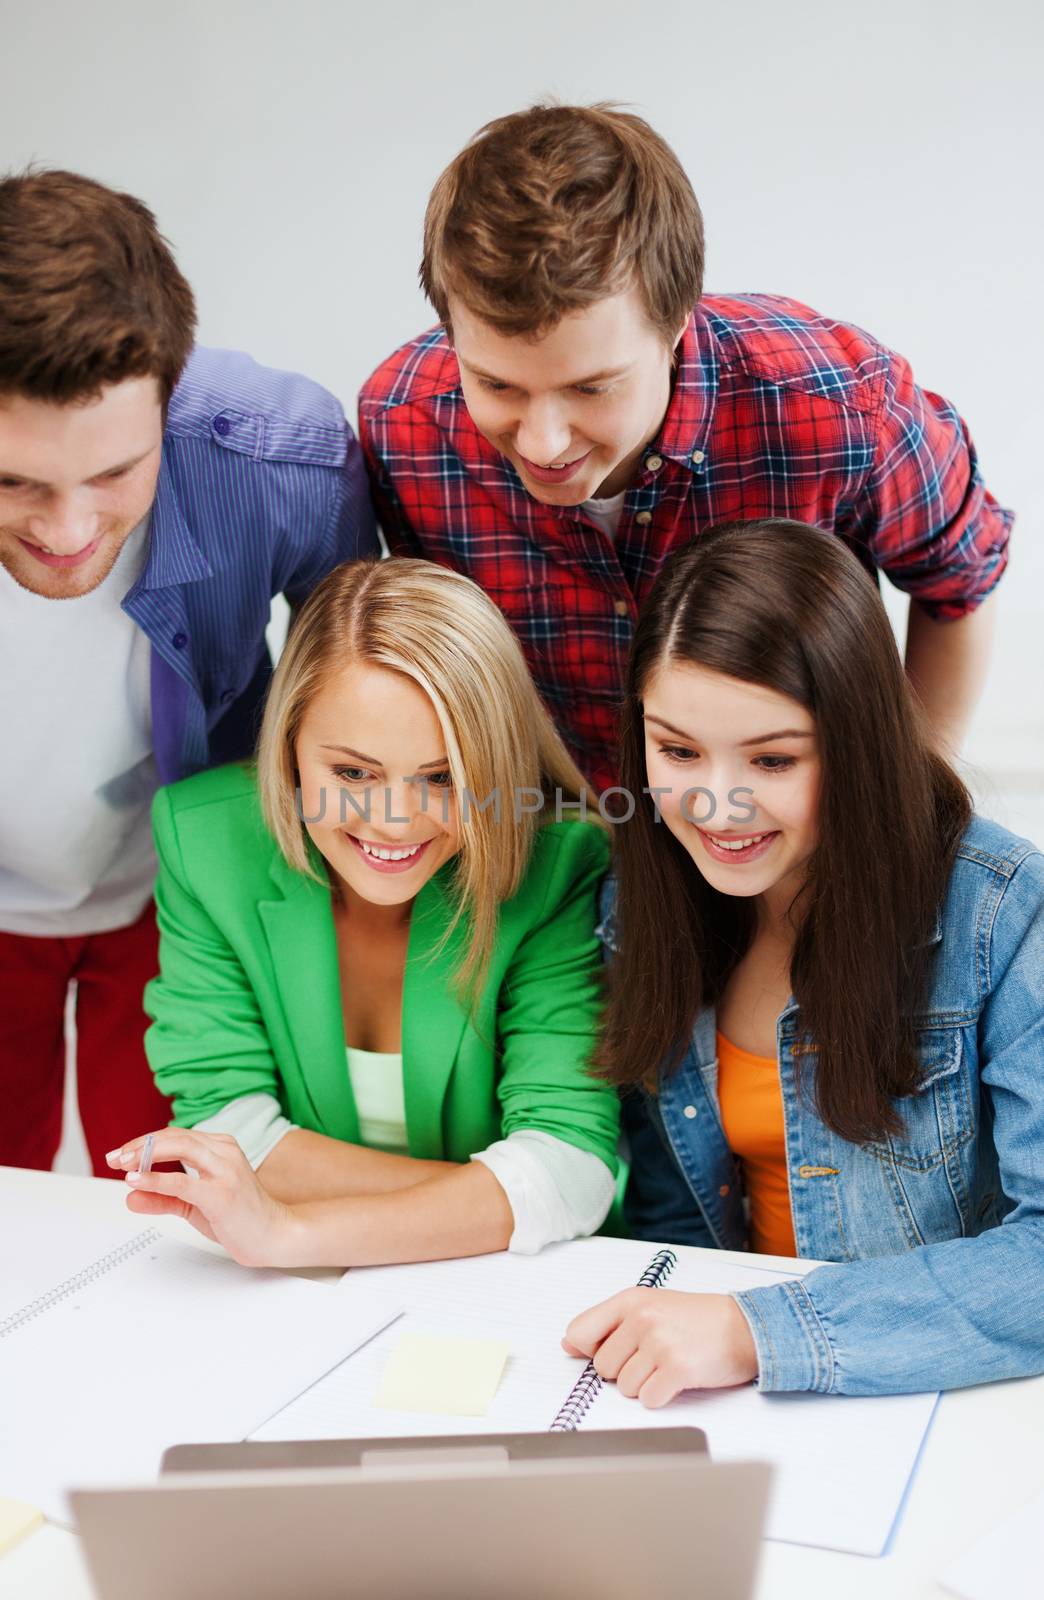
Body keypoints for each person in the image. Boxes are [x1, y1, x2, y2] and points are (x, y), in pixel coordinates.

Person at [359, 103, 1012, 793]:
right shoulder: (404, 426)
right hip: (566, 830)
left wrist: (908, 797)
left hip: (796, 821)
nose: (543, 442)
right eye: (496, 384)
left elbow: (960, 585)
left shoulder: (840, 406)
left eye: (591, 388)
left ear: (675, 323)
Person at [562, 519, 1044, 1402]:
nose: (715, 803)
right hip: (734, 1396)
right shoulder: (639, 910)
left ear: (861, 745)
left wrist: (761, 1332)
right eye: (675, 751)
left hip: (937, 1396)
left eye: (773, 758)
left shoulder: (1006, 911)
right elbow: (676, 1220)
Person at [0, 169, 376, 1176]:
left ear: (169, 398)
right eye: (14, 482)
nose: (68, 533)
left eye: (114, 474)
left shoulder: (279, 460)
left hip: (184, 889)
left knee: (180, 1204)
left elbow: (366, 700)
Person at [105, 558, 620, 1266]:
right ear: (289, 745)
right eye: (353, 772)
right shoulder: (204, 839)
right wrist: (502, 1197)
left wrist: (288, 1231)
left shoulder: (557, 863)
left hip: (502, 1287)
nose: (395, 821)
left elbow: (571, 1169)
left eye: (444, 778)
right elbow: (226, 1133)